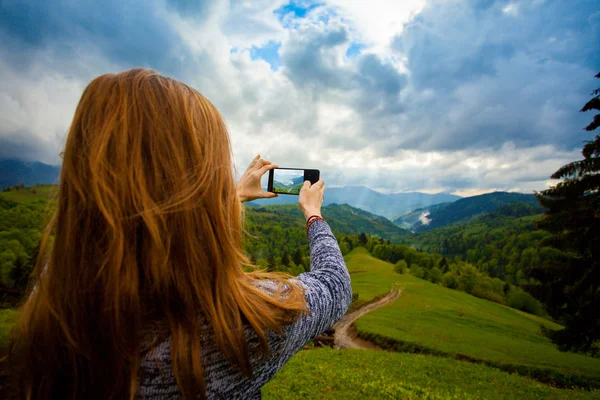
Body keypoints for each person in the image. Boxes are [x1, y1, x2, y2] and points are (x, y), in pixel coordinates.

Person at [6, 68, 352, 399]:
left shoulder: (55, 301)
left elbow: (134, 222)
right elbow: (335, 284)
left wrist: (232, 196)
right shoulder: (241, 325)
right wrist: (313, 213)